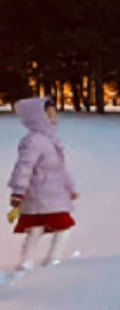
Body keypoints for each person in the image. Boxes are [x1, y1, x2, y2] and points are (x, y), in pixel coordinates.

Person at [7, 97, 78, 271]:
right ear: (38, 117)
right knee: (44, 227)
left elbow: (60, 169)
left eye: (54, 113)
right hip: (39, 192)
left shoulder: (51, 139)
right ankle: (37, 261)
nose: (54, 117)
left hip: (54, 193)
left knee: (47, 227)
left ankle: (43, 259)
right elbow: (23, 167)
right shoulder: (34, 140)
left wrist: (70, 188)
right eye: (49, 114)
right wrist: (18, 191)